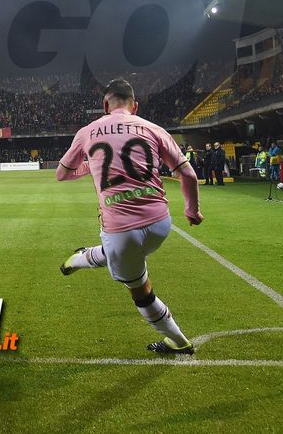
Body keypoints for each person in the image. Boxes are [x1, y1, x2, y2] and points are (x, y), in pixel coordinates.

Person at [57, 78, 203, 356]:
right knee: (124, 256)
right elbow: (188, 174)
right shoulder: (153, 128)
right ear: (134, 106)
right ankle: (78, 258)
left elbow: (62, 173)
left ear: (104, 105)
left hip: (121, 232)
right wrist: (192, 211)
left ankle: (178, 341)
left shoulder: (88, 131)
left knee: (141, 291)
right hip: (161, 224)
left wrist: (90, 166)